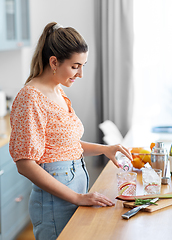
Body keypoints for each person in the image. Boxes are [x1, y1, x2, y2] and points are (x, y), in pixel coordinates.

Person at [9, 22, 132, 240]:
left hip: (73, 189)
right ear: (54, 62)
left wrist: (106, 149)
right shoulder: (30, 97)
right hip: (55, 200)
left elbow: (65, 146)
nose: (81, 74)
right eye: (76, 66)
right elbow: (25, 164)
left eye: (83, 65)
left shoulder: (58, 91)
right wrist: (77, 197)